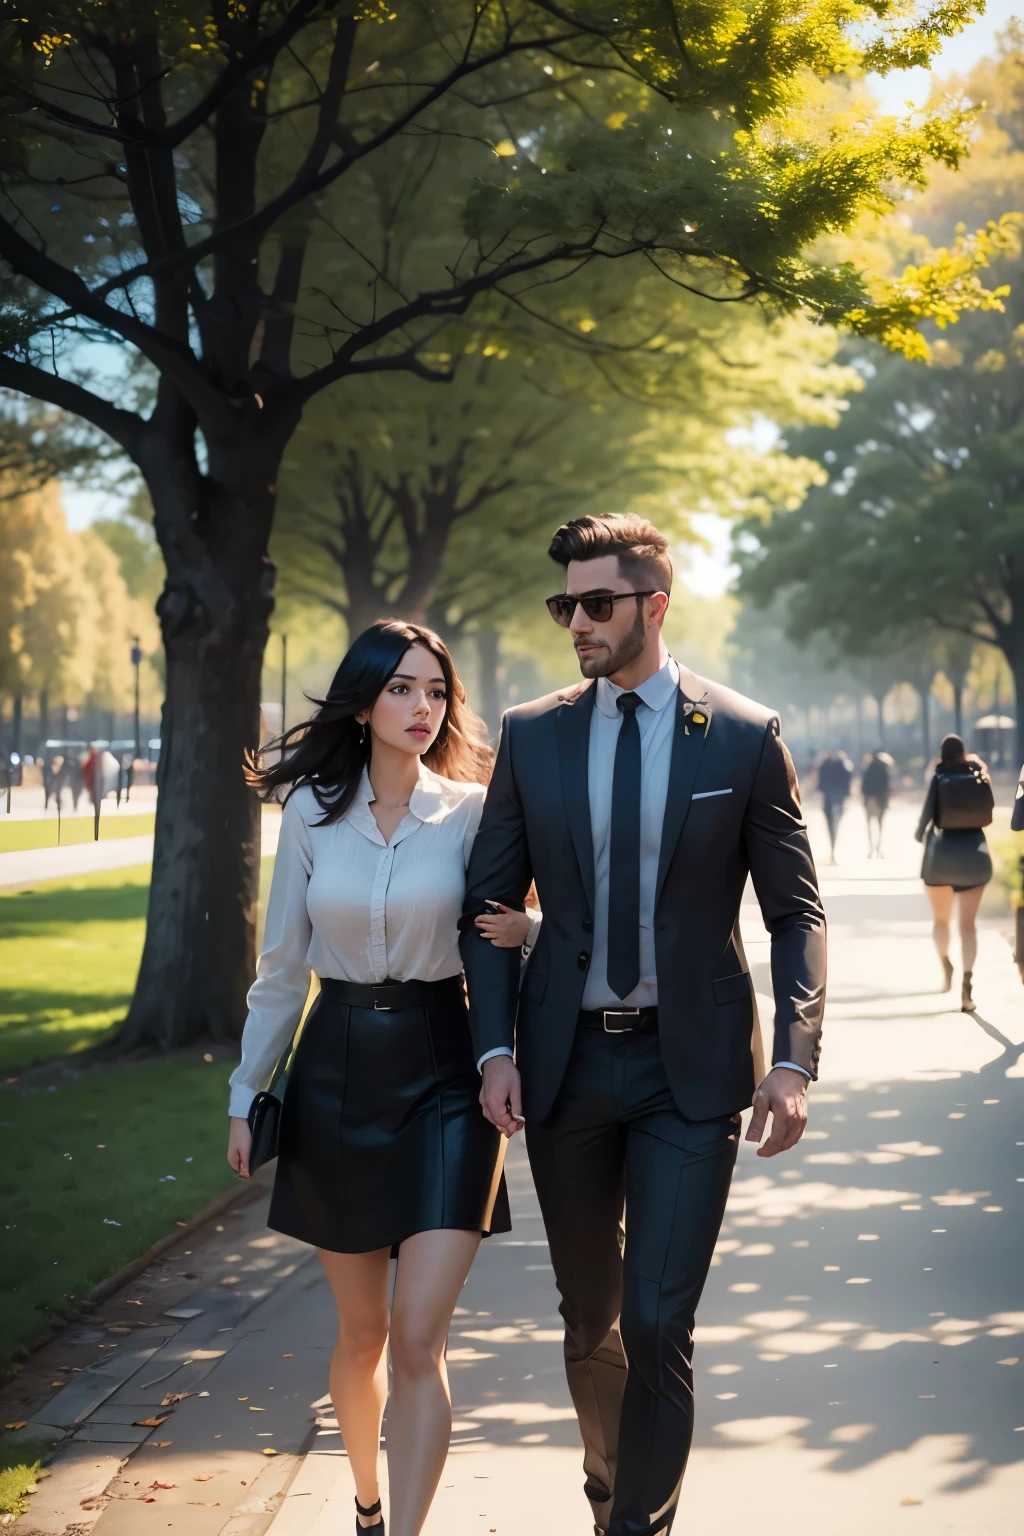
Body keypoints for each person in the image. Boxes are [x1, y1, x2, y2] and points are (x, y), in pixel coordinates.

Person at [460, 514, 826, 1536]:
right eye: (564, 605)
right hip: (567, 1072)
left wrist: (793, 1061)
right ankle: (609, 1476)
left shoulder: (746, 736)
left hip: (691, 1075)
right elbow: (488, 912)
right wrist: (494, 1049)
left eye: (595, 604)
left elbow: (795, 912)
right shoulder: (533, 734)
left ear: (652, 607)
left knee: (660, 1320)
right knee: (591, 1324)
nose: (574, 622)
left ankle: (637, 1526)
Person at [226, 620, 535, 1536]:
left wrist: (535, 939)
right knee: (361, 1335)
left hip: (449, 1072)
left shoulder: (475, 812)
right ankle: (365, 1502)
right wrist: (248, 1094)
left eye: (435, 691)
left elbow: (513, 938)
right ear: (363, 704)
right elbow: (282, 970)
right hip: (337, 1072)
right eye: (401, 689)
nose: (421, 707)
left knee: (416, 1338)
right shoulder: (313, 817)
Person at [915, 733, 994, 1012]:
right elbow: (990, 808)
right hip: (975, 854)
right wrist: (979, 766)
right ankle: (967, 987)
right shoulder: (978, 776)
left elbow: (925, 816)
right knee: (968, 926)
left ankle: (946, 963)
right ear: (964, 753)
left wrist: (919, 835)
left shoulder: (938, 778)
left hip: (941, 857)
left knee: (941, 921)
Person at [817, 746, 854, 864]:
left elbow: (820, 784)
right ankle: (833, 851)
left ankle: (832, 851)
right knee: (836, 825)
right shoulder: (845, 764)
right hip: (838, 800)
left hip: (829, 801)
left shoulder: (824, 764)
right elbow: (849, 781)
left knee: (831, 826)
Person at [861, 749, 894, 859]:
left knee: (870, 825)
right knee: (880, 825)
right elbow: (887, 786)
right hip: (881, 800)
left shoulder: (868, 768)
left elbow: (864, 786)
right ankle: (879, 847)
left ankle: (871, 848)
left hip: (870, 800)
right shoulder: (884, 768)